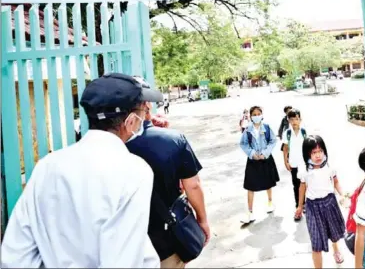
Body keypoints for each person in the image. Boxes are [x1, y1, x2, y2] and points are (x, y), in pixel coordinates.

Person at [1, 73, 162, 268]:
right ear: (130, 122)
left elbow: (16, 254)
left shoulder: (47, 166)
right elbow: (124, 260)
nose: (145, 118)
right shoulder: (134, 171)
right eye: (143, 113)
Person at [127, 98, 210, 268]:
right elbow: (192, 185)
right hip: (167, 238)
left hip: (125, 242)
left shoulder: (111, 148)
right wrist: (202, 220)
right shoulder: (173, 139)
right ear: (147, 105)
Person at [295, 135, 346, 268]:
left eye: (320, 151)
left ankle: (336, 250)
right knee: (316, 243)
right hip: (312, 207)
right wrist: (300, 206)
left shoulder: (329, 166)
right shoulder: (304, 169)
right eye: (314, 152)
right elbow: (302, 188)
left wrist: (343, 194)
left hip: (330, 203)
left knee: (333, 233)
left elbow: (336, 182)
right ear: (307, 154)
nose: (318, 155)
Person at [239, 106, 280, 224]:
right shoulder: (247, 130)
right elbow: (243, 144)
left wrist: (265, 153)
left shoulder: (266, 127)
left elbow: (273, 140)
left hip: (266, 159)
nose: (257, 116)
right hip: (253, 161)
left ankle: (270, 202)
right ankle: (250, 212)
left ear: (262, 115)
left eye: (259, 114)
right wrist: (252, 154)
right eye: (254, 114)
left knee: (268, 183)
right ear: (251, 117)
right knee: (250, 186)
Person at [282, 109, 307, 221]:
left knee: (306, 184)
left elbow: (308, 146)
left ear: (300, 119)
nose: (294, 121)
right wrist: (286, 162)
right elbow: (285, 148)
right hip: (294, 163)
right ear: (288, 120)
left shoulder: (304, 131)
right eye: (292, 119)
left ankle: (306, 204)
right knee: (296, 185)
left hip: (304, 163)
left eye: (296, 119)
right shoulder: (287, 133)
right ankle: (299, 206)